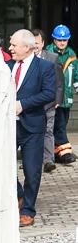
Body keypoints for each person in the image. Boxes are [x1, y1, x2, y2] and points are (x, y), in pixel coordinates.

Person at [8, 29, 57, 227]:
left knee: (31, 170)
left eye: (13, 45)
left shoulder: (44, 67)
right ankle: (20, 195)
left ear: (26, 47)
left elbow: (49, 94)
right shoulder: (5, 66)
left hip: (32, 127)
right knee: (4, 167)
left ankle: (27, 210)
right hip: (8, 127)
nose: (9, 48)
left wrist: (23, 104)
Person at [32, 29, 64, 173]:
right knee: (33, 132)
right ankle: (32, 160)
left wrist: (58, 98)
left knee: (48, 130)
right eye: (32, 43)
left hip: (49, 102)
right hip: (31, 102)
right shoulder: (25, 58)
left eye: (37, 43)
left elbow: (59, 81)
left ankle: (48, 161)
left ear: (43, 43)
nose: (35, 46)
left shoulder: (52, 57)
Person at [46, 25, 77, 164]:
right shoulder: (47, 53)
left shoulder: (72, 55)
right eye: (59, 40)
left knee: (61, 125)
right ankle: (65, 153)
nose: (62, 42)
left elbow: (76, 76)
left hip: (67, 98)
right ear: (54, 39)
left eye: (65, 40)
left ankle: (56, 152)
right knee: (57, 126)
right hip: (52, 98)